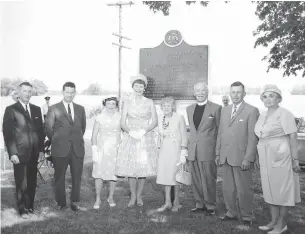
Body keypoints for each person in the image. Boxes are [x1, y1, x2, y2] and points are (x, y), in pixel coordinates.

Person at [254, 84, 301, 234]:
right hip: (265, 157)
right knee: (269, 189)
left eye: (272, 96)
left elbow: (293, 136)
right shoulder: (262, 115)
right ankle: (273, 221)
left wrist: (295, 159)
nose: (268, 99)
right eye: (265, 96)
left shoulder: (284, 113)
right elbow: (259, 135)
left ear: (279, 98)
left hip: (281, 156)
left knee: (282, 191)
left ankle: (282, 223)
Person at [216, 81, 259, 225]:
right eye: (233, 92)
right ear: (230, 93)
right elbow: (221, 133)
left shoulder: (252, 111)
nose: (235, 95)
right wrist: (218, 153)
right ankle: (231, 212)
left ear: (244, 94)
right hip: (226, 156)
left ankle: (247, 216)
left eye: (238, 92)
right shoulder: (225, 110)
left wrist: (248, 158)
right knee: (228, 188)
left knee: (244, 189)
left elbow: (253, 138)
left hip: (242, 158)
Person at [2, 82, 45, 218]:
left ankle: (30, 206)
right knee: (21, 181)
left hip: (34, 152)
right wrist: (12, 153)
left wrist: (42, 151)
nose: (27, 94)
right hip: (19, 153)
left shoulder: (37, 109)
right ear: (19, 92)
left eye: (29, 91)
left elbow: (41, 132)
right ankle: (22, 209)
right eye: (25, 91)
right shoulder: (11, 109)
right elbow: (8, 133)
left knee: (32, 180)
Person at [115, 74, 158, 207]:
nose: (139, 88)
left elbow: (155, 121)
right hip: (131, 135)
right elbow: (122, 122)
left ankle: (139, 196)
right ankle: (133, 196)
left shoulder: (149, 102)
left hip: (145, 136)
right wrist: (131, 132)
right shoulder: (127, 101)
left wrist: (144, 131)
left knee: (143, 167)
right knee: (132, 168)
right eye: (136, 86)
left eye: (141, 86)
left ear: (144, 88)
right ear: (133, 87)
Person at [45, 82, 86, 211]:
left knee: (77, 177)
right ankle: (61, 203)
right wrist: (58, 141)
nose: (70, 94)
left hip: (77, 149)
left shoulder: (80, 108)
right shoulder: (53, 108)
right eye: (67, 92)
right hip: (60, 149)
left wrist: (75, 140)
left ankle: (75, 202)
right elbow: (48, 129)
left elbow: (82, 128)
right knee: (59, 177)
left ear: (75, 92)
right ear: (63, 92)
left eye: (72, 92)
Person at [186, 82, 221, 215]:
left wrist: (218, 151)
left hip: (208, 150)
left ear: (207, 92)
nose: (200, 93)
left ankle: (210, 205)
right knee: (195, 179)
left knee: (208, 178)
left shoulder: (216, 108)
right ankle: (199, 203)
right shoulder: (189, 109)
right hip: (193, 150)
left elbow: (220, 131)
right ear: (194, 93)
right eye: (197, 90)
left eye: (203, 90)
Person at [156, 96, 188, 212]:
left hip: (176, 150)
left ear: (173, 106)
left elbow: (184, 135)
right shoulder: (160, 118)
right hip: (164, 150)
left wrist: (183, 152)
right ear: (161, 107)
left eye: (168, 105)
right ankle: (167, 202)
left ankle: (176, 202)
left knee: (175, 176)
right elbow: (158, 135)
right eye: (164, 105)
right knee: (165, 175)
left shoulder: (179, 117)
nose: (166, 108)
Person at [91, 96, 121, 209]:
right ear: (105, 105)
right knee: (98, 174)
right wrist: (94, 150)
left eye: (113, 104)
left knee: (113, 174)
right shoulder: (99, 117)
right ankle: (98, 198)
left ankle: (111, 197)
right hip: (101, 149)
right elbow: (94, 135)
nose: (111, 106)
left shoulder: (120, 117)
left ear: (116, 105)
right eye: (109, 104)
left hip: (115, 149)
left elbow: (125, 132)